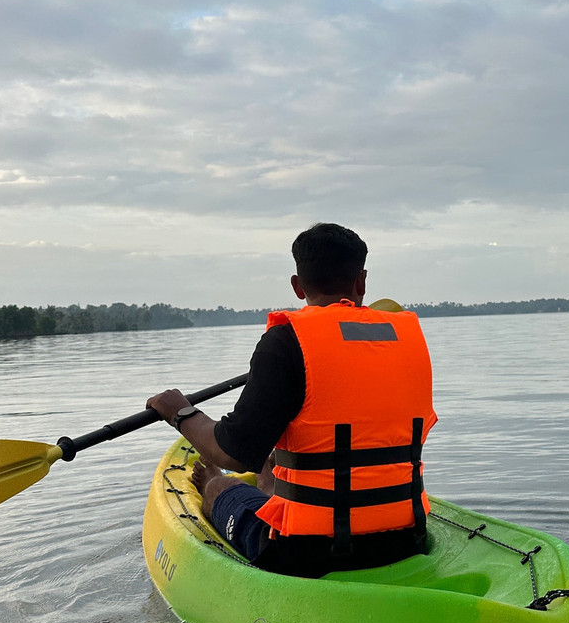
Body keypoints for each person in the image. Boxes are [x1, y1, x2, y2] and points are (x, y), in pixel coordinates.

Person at [146, 223, 437, 578]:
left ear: (298, 286)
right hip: (406, 537)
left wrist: (180, 411)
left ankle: (211, 484)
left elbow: (233, 454)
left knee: (223, 483)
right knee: (270, 469)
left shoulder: (285, 342)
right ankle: (270, 482)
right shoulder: (408, 340)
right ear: (361, 281)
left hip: (305, 553)